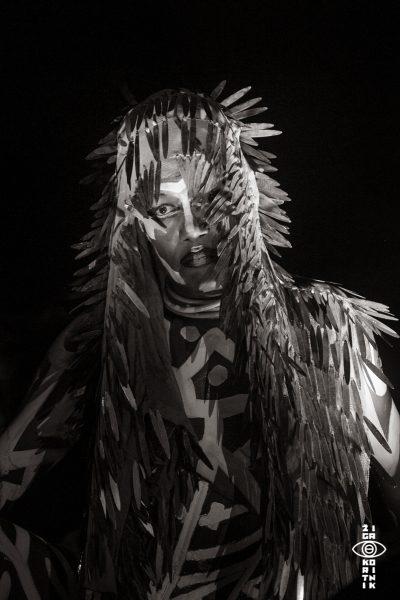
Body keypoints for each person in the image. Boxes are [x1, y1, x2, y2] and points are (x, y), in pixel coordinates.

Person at [0, 82, 399, 600]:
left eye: (211, 196)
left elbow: (390, 488)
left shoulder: (327, 329)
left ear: (245, 196)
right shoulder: (101, 346)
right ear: (133, 223)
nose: (195, 228)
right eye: (165, 209)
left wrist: (368, 579)